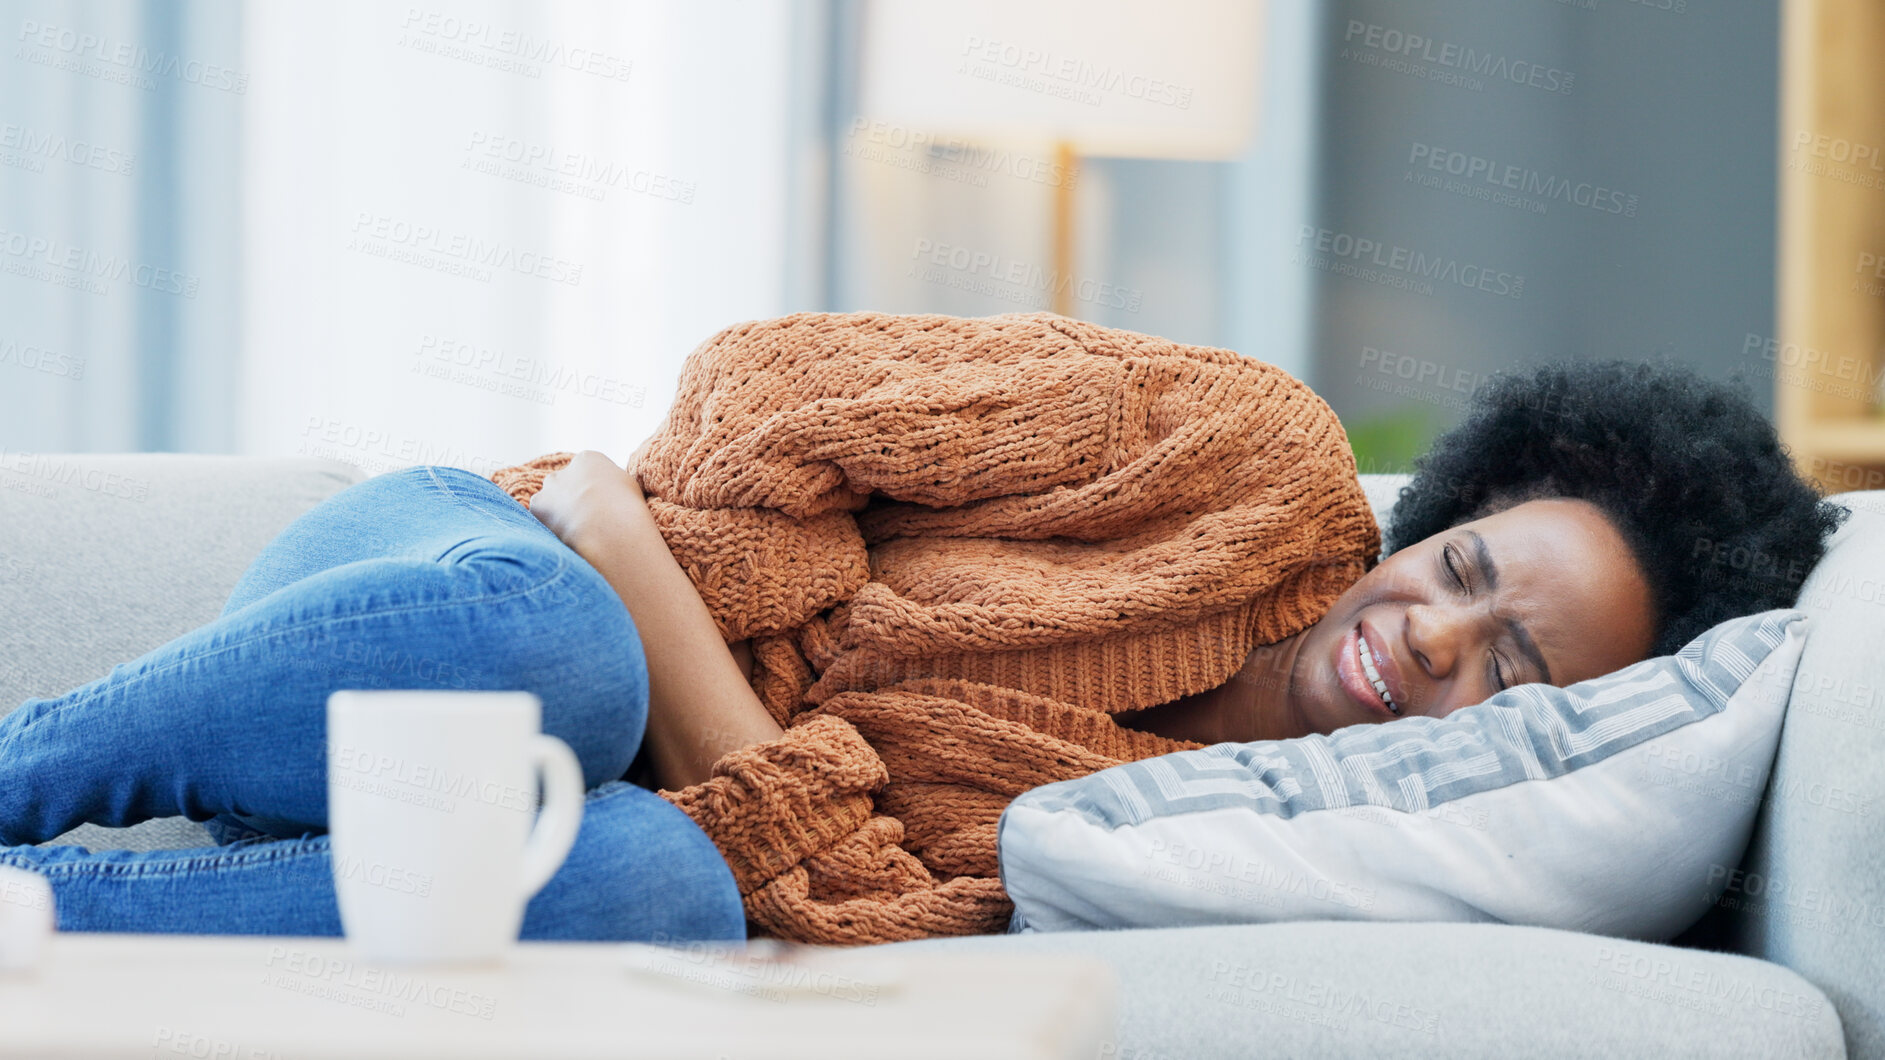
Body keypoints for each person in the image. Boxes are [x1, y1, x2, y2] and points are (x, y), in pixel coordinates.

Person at [0, 356, 1843, 941]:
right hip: (462, 579)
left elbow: (848, 909)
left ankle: (47, 917)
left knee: (654, 886)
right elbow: (782, 395)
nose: (1436, 642)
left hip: (547, 798)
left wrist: (673, 629)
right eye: (1460, 567)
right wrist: (649, 592)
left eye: (1520, 674)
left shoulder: (1212, 840)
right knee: (560, 643)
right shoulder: (1244, 456)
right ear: (1439, 505)